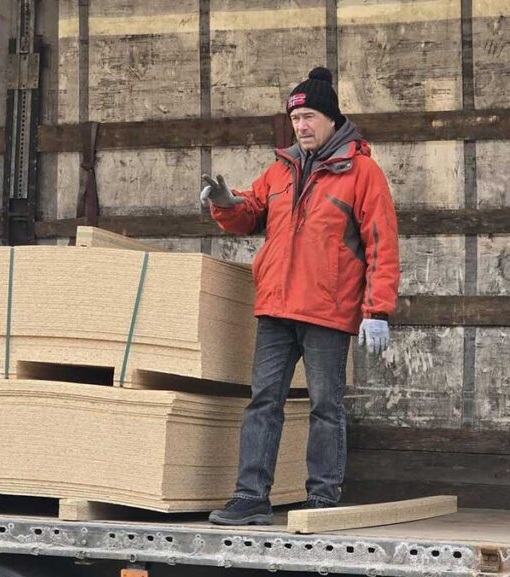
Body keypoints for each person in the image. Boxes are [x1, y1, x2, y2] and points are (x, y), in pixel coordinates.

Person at [201, 66, 400, 525]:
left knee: (325, 407)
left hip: (327, 310)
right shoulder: (280, 170)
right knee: (263, 402)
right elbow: (250, 213)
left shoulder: (363, 173)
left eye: (309, 116)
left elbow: (382, 243)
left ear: (331, 118)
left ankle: (322, 499)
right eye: (295, 119)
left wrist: (377, 310)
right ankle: (250, 497)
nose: (301, 126)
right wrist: (225, 203)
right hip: (275, 306)